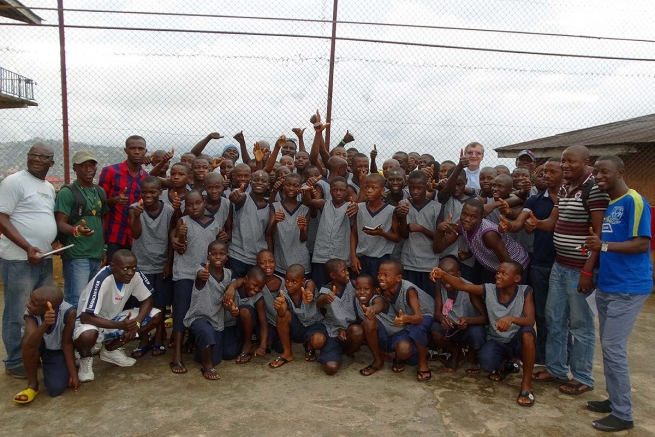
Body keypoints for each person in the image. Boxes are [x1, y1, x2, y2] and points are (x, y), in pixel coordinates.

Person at [530, 145, 609, 396]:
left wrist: (588, 271)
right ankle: (556, 368)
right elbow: (553, 222)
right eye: (563, 161)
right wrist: (535, 223)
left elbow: (598, 234)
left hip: (579, 270)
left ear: (586, 162)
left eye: (570, 161)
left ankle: (583, 376)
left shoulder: (594, 190)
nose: (565, 166)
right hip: (560, 265)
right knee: (554, 319)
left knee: (580, 324)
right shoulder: (564, 188)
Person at [583, 155, 652, 432]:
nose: (599, 176)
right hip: (609, 285)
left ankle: (624, 413)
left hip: (629, 287)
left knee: (613, 348)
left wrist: (604, 246)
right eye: (596, 172)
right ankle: (614, 400)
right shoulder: (611, 204)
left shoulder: (635, 201)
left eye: (605, 171)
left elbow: (640, 244)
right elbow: (608, 243)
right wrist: (596, 247)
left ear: (620, 172)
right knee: (610, 348)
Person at [431, 261, 537, 407]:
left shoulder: (525, 291)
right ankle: (505, 366)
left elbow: (530, 320)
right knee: (486, 363)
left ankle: (526, 384)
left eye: (504, 273)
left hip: (516, 340)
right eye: (498, 272)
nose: (498, 275)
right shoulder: (489, 289)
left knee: (528, 334)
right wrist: (443, 275)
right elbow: (463, 285)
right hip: (496, 340)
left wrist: (511, 319)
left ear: (517, 279)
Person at [0, 142, 57, 378]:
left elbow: (41, 218)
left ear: (51, 163)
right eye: (32, 155)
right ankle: (14, 362)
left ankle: (33, 354)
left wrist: (52, 243)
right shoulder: (15, 181)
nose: (36, 159)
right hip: (20, 259)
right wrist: (26, 247)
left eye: (42, 157)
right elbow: (2, 218)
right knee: (17, 312)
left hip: (43, 258)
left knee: (42, 311)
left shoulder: (48, 187)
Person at [499, 158, 562, 364]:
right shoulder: (535, 200)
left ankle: (564, 357)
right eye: (543, 172)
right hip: (542, 262)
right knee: (543, 313)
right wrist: (510, 224)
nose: (546, 176)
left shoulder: (571, 197)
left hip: (568, 263)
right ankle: (544, 357)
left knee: (565, 315)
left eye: (552, 171)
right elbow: (519, 222)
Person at [74, 250, 163, 382]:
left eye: (133, 267)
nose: (131, 273)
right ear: (112, 266)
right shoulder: (103, 279)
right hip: (90, 323)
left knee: (156, 316)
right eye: (125, 269)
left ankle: (111, 350)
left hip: (113, 320)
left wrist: (137, 322)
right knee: (88, 335)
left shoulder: (135, 275)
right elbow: (85, 317)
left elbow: (147, 300)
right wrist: (120, 325)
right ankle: (84, 358)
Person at [170, 190, 221, 374]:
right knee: (181, 312)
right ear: (185, 207)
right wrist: (182, 235)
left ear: (204, 202)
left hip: (204, 274)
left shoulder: (214, 223)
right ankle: (176, 355)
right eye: (189, 204)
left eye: (198, 203)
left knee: (200, 311)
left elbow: (218, 249)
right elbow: (180, 249)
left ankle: (197, 346)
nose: (194, 207)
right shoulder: (182, 221)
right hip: (185, 273)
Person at [55, 150, 109, 310]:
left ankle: (85, 333)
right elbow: (60, 223)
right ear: (75, 168)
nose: (88, 169)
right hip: (77, 256)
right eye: (83, 166)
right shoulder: (68, 192)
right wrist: (76, 230)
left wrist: (103, 248)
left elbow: (102, 220)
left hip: (96, 254)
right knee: (75, 300)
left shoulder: (99, 191)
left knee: (91, 299)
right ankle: (70, 334)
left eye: (91, 165)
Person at [129, 176, 176, 357]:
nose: (148, 195)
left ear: (160, 192)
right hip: (141, 264)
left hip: (161, 263)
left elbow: (172, 239)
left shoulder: (170, 211)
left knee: (161, 303)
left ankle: (158, 339)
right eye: (144, 192)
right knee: (142, 304)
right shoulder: (134, 208)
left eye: (152, 192)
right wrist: (137, 216)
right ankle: (144, 339)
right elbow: (136, 233)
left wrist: (168, 262)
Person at [434, 199, 529, 284]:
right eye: (464, 214)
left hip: (516, 264)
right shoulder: (460, 225)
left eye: (473, 217)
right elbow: (438, 248)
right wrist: (439, 230)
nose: (467, 219)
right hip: (496, 267)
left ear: (481, 217)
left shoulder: (489, 234)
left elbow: (508, 263)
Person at [13, 286, 78, 403]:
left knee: (55, 389)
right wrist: (44, 325)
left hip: (56, 350)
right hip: (37, 346)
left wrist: (73, 374)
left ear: (49, 307)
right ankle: (32, 384)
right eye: (30, 299)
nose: (28, 304)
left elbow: (67, 343)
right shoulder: (31, 311)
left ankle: (51, 364)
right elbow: (29, 344)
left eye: (34, 303)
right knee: (28, 346)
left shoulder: (69, 312)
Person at [183, 241, 233, 380]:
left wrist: (232, 287)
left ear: (227, 257)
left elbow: (239, 281)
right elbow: (200, 278)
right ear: (208, 256)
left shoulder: (228, 274)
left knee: (217, 357)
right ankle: (207, 367)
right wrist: (201, 277)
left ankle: (197, 346)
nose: (218, 257)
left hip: (216, 320)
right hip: (198, 317)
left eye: (222, 254)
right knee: (205, 331)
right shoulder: (201, 271)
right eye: (214, 254)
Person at [378, 260, 435, 382]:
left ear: (398, 278)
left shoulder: (409, 290)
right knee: (408, 356)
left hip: (426, 314)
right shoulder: (385, 290)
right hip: (409, 319)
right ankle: (401, 358)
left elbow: (419, 317)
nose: (381, 278)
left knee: (417, 328)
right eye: (379, 274)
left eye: (386, 275)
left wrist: (405, 318)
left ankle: (423, 364)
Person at [430, 257, 487, 373]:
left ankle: (472, 354)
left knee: (477, 334)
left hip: (469, 327)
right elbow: (437, 312)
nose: (446, 280)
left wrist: (467, 320)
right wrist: (443, 319)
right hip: (452, 327)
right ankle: (455, 351)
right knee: (435, 330)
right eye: (443, 276)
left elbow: (485, 318)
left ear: (459, 274)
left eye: (450, 275)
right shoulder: (439, 285)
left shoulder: (469, 288)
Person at [98, 135, 149, 260]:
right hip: (113, 235)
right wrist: (114, 201)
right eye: (132, 148)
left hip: (135, 238)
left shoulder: (146, 178)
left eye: (140, 148)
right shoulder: (110, 171)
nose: (137, 152)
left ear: (145, 151)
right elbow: (98, 202)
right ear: (126, 150)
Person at [268, 264, 327, 368]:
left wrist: (309, 294)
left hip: (315, 324)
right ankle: (287, 353)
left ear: (303, 281)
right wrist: (279, 306)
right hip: (299, 327)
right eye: (286, 280)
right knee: (282, 316)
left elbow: (310, 287)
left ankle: (310, 345)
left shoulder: (309, 284)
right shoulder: (284, 293)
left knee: (318, 341)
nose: (289, 284)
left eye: (294, 282)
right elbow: (282, 314)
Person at [305, 176, 358, 288]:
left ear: (346, 191)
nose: (338, 193)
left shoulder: (351, 207)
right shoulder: (324, 204)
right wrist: (308, 189)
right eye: (334, 190)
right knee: (320, 287)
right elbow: (309, 202)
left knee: (340, 288)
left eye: (342, 190)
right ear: (330, 191)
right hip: (321, 256)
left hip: (341, 256)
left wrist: (356, 205)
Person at [317, 259, 364, 375]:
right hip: (333, 331)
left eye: (347, 270)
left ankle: (347, 352)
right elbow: (319, 302)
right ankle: (334, 352)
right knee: (331, 368)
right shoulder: (326, 290)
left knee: (357, 331)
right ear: (333, 275)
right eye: (343, 271)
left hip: (350, 328)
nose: (347, 273)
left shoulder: (353, 285)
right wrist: (325, 298)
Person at [398, 171, 441, 298]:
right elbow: (404, 235)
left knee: (428, 298)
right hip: (409, 261)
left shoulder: (437, 207)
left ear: (426, 186)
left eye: (419, 188)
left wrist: (422, 229)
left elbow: (439, 238)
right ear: (407, 186)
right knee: (411, 298)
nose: (415, 191)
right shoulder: (402, 204)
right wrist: (402, 218)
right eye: (412, 188)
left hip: (429, 263)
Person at [350, 173, 401, 281]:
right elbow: (354, 233)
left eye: (374, 188)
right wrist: (353, 256)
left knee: (378, 291)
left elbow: (397, 237)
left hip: (381, 260)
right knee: (361, 288)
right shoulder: (359, 208)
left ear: (382, 190)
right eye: (366, 187)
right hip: (361, 258)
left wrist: (382, 233)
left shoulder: (391, 210)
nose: (369, 190)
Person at [227, 170, 270, 279]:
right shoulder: (244, 198)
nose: (259, 182)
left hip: (256, 257)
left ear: (268, 186)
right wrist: (234, 195)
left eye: (263, 181)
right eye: (256, 180)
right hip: (237, 255)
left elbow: (268, 234)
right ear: (250, 183)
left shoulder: (269, 207)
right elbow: (235, 198)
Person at [265, 173, 311, 275]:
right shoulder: (275, 206)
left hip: (301, 262)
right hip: (281, 262)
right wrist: (275, 221)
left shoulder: (305, 209)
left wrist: (302, 229)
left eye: (295, 186)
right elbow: (269, 233)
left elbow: (303, 238)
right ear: (283, 186)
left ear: (300, 188)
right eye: (288, 184)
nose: (291, 188)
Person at [222, 266, 268, 364]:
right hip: (230, 325)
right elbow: (223, 304)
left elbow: (264, 323)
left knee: (244, 311)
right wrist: (231, 288)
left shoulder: (258, 297)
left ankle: (248, 344)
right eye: (255, 285)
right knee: (228, 354)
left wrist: (262, 347)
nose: (256, 289)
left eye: (260, 287)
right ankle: (241, 342)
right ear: (246, 279)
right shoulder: (232, 288)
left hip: (247, 326)